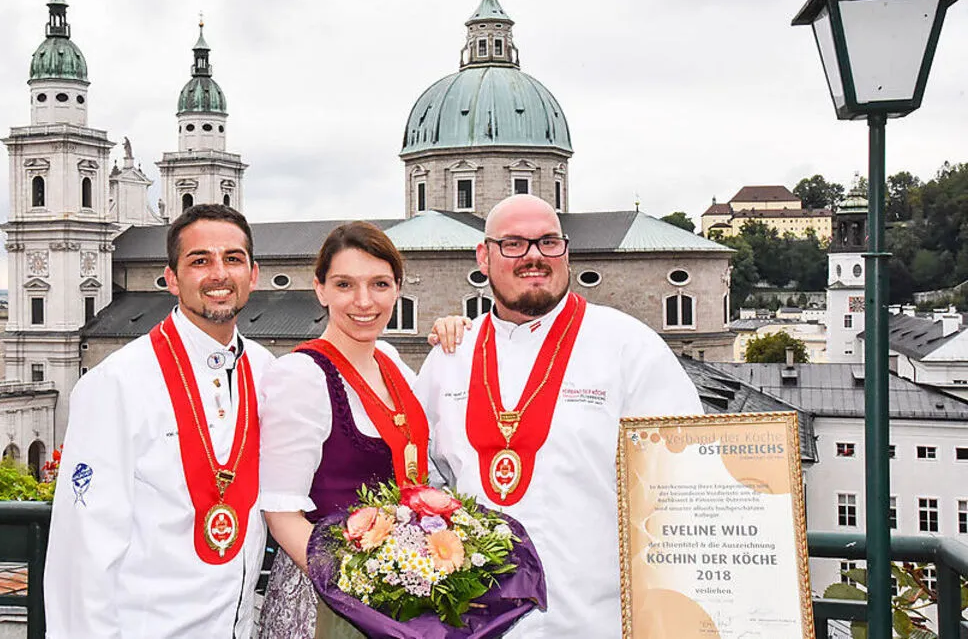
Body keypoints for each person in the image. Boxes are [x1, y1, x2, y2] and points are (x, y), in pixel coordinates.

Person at [417, 194, 704, 638]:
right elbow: (425, 484)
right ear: (483, 256)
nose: (533, 256)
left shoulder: (630, 346)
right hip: (474, 626)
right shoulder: (450, 357)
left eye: (548, 242)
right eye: (513, 244)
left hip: (599, 622)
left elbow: (687, 486)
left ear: (566, 251)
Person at [44, 204, 276, 638]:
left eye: (233, 259)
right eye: (199, 260)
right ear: (171, 279)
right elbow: (83, 550)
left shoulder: (266, 373)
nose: (219, 274)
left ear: (253, 274)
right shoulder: (117, 382)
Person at [257, 221, 431, 638]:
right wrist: (359, 585)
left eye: (380, 284)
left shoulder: (390, 361)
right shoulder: (300, 376)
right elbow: (281, 514)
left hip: (398, 587)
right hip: (328, 595)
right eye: (344, 285)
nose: (364, 301)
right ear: (319, 289)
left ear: (398, 288)